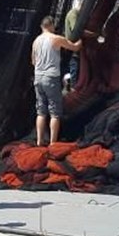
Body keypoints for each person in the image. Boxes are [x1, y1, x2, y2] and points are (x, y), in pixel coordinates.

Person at [31, 16, 82, 146]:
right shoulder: (56, 39)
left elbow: (33, 61)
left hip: (38, 77)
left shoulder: (36, 41)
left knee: (41, 111)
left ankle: (39, 141)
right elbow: (75, 47)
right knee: (55, 112)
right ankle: (53, 143)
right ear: (51, 26)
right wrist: (82, 37)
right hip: (51, 77)